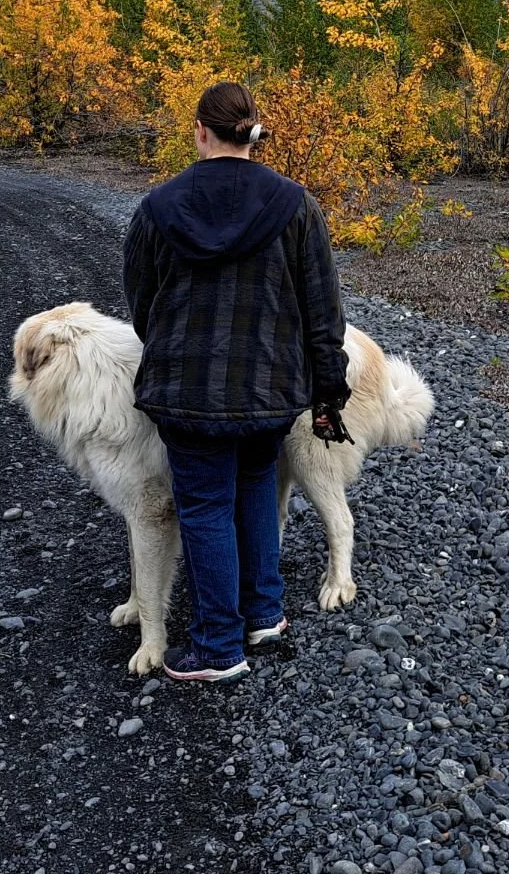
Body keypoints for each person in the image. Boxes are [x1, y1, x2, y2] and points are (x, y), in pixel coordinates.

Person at [121, 81, 351, 683]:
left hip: (187, 392)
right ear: (253, 131)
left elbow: (142, 303)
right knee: (255, 488)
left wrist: (169, 350)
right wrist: (328, 390)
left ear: (200, 130)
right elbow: (323, 309)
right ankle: (264, 616)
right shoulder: (296, 205)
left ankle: (219, 646)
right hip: (271, 391)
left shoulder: (158, 207)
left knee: (204, 506)